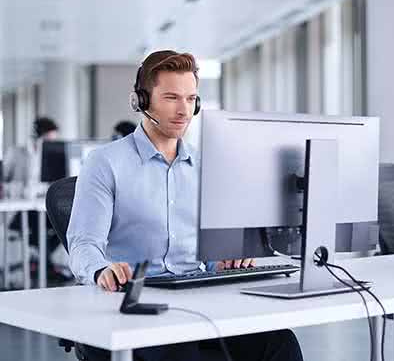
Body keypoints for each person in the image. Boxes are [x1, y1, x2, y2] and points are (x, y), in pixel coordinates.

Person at [67, 50, 303, 361]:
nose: (184, 110)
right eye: (171, 98)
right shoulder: (105, 163)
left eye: (191, 99)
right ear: (142, 101)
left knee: (279, 343)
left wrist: (228, 259)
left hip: (200, 299)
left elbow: (217, 249)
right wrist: (100, 270)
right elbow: (83, 243)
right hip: (136, 302)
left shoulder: (208, 165)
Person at [4, 117, 68, 283]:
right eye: (49, 140)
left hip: (41, 206)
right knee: (39, 230)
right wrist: (17, 188)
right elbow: (3, 179)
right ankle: (47, 268)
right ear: (38, 137)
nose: (52, 144)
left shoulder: (52, 156)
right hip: (20, 210)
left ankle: (40, 262)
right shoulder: (16, 152)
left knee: (66, 225)